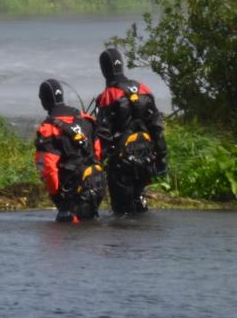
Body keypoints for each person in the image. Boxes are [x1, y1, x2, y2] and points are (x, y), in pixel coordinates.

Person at [93, 47, 167, 214]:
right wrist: (161, 159)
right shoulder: (144, 89)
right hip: (146, 160)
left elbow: (102, 136)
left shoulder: (108, 96)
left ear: (104, 69)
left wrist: (96, 164)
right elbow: (157, 128)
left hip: (122, 165)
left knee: (123, 214)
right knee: (139, 206)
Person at [34, 78, 105, 223]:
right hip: (97, 183)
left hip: (72, 193)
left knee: (66, 235)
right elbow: (97, 152)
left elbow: (48, 168)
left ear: (43, 100)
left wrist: (56, 196)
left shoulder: (48, 129)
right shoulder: (86, 120)